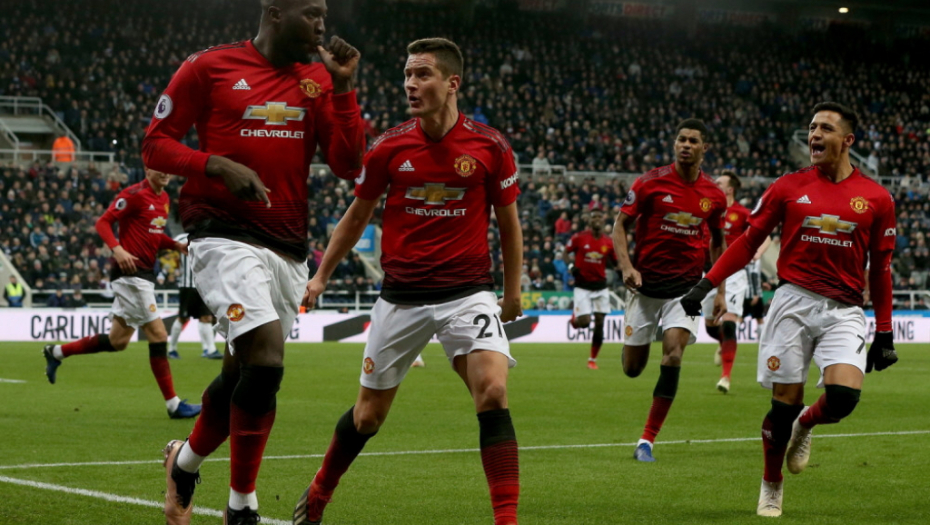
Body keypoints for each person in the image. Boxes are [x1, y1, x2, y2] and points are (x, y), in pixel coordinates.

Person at [142, 0, 365, 522]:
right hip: (222, 235)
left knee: (241, 374)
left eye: (324, 14)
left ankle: (184, 462)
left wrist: (344, 88)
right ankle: (241, 503)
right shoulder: (209, 66)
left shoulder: (318, 79)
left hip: (287, 247)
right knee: (265, 359)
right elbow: (154, 146)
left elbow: (347, 163)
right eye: (311, 13)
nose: (322, 25)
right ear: (275, 12)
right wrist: (214, 165)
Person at [292, 38, 523, 525]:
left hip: (468, 292)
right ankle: (318, 493)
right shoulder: (388, 147)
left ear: (452, 83)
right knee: (367, 417)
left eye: (422, 74)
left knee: (493, 392)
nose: (410, 85)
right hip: (402, 297)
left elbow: (509, 224)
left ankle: (507, 520)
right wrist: (321, 275)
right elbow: (356, 217)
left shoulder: (490, 145)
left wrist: (512, 290)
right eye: (407, 75)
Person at [680, 102, 898, 517]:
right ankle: (771, 483)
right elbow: (748, 241)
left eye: (825, 128)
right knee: (783, 406)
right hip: (793, 302)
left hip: (845, 308)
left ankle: (806, 424)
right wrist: (706, 283)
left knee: (843, 398)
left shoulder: (876, 197)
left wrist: (884, 331)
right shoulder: (787, 186)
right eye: (812, 127)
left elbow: (882, 267)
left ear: (847, 140)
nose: (814, 134)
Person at [41, 168, 200, 422]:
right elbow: (102, 222)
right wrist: (117, 249)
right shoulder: (134, 194)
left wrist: (175, 245)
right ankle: (173, 405)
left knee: (118, 341)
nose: (164, 172)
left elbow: (153, 234)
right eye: (158, 167)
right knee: (159, 335)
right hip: (130, 274)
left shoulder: (164, 198)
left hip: (144, 274)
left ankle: (56, 352)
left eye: (166, 168)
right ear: (147, 169)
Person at [611, 118, 728, 462]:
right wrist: (627, 267)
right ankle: (632, 344)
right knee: (633, 369)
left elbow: (718, 243)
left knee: (674, 354)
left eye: (693, 140)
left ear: (704, 148)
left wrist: (720, 291)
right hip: (645, 286)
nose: (686, 145)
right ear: (675, 144)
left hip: (686, 290)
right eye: (681, 139)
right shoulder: (650, 183)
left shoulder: (714, 195)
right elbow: (620, 225)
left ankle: (646, 441)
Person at [700, 171, 769, 393]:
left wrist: (757, 253)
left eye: (719, 183)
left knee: (729, 323)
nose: (714, 185)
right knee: (711, 327)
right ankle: (722, 345)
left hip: (733, 274)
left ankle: (725, 377)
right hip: (708, 273)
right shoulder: (708, 210)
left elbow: (765, 235)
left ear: (730, 189)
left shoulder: (742, 213)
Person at [564, 207, 618, 369]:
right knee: (585, 323)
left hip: (601, 286)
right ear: (589, 220)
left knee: (600, 323)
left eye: (599, 217)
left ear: (603, 220)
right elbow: (566, 253)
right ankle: (575, 320)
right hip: (582, 286)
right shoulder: (579, 238)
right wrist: (571, 266)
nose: (597, 219)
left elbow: (615, 262)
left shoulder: (608, 242)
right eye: (594, 217)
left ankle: (592, 359)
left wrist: (621, 267)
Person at [167, 233, 222, 360]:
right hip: (187, 285)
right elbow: (169, 254)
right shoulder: (180, 239)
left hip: (204, 285)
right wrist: (173, 269)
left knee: (206, 317)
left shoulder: (207, 237)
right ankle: (172, 349)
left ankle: (210, 350)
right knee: (183, 318)